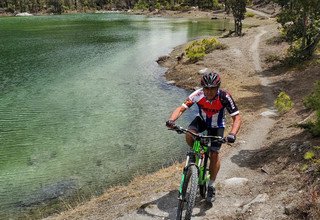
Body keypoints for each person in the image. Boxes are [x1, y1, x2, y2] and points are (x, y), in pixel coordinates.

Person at [166, 70, 241, 203]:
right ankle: (197, 152)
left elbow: (237, 118)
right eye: (206, 88)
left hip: (217, 125)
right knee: (189, 134)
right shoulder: (198, 94)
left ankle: (211, 185)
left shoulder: (224, 96)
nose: (209, 91)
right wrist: (172, 120)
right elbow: (181, 108)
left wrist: (232, 134)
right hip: (201, 121)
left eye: (212, 89)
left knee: (214, 154)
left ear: (217, 88)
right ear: (203, 87)